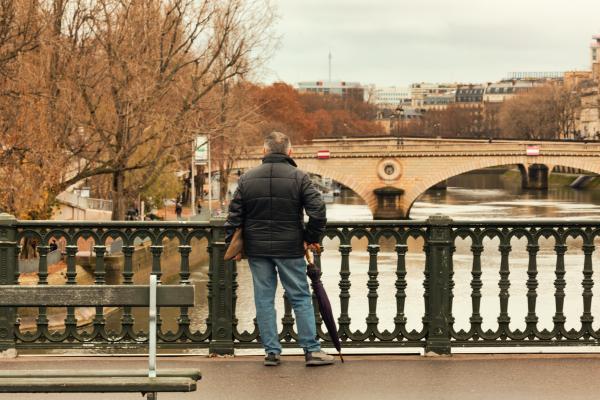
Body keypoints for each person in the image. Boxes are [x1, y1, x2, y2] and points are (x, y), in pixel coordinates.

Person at [225, 131, 334, 367]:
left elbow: (234, 217)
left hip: (257, 249)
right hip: (290, 247)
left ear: (263, 152)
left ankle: (272, 352)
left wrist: (233, 246)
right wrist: (309, 238)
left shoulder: (247, 179)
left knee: (264, 299)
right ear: (289, 152)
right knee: (300, 297)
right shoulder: (300, 177)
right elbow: (318, 212)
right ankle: (311, 350)